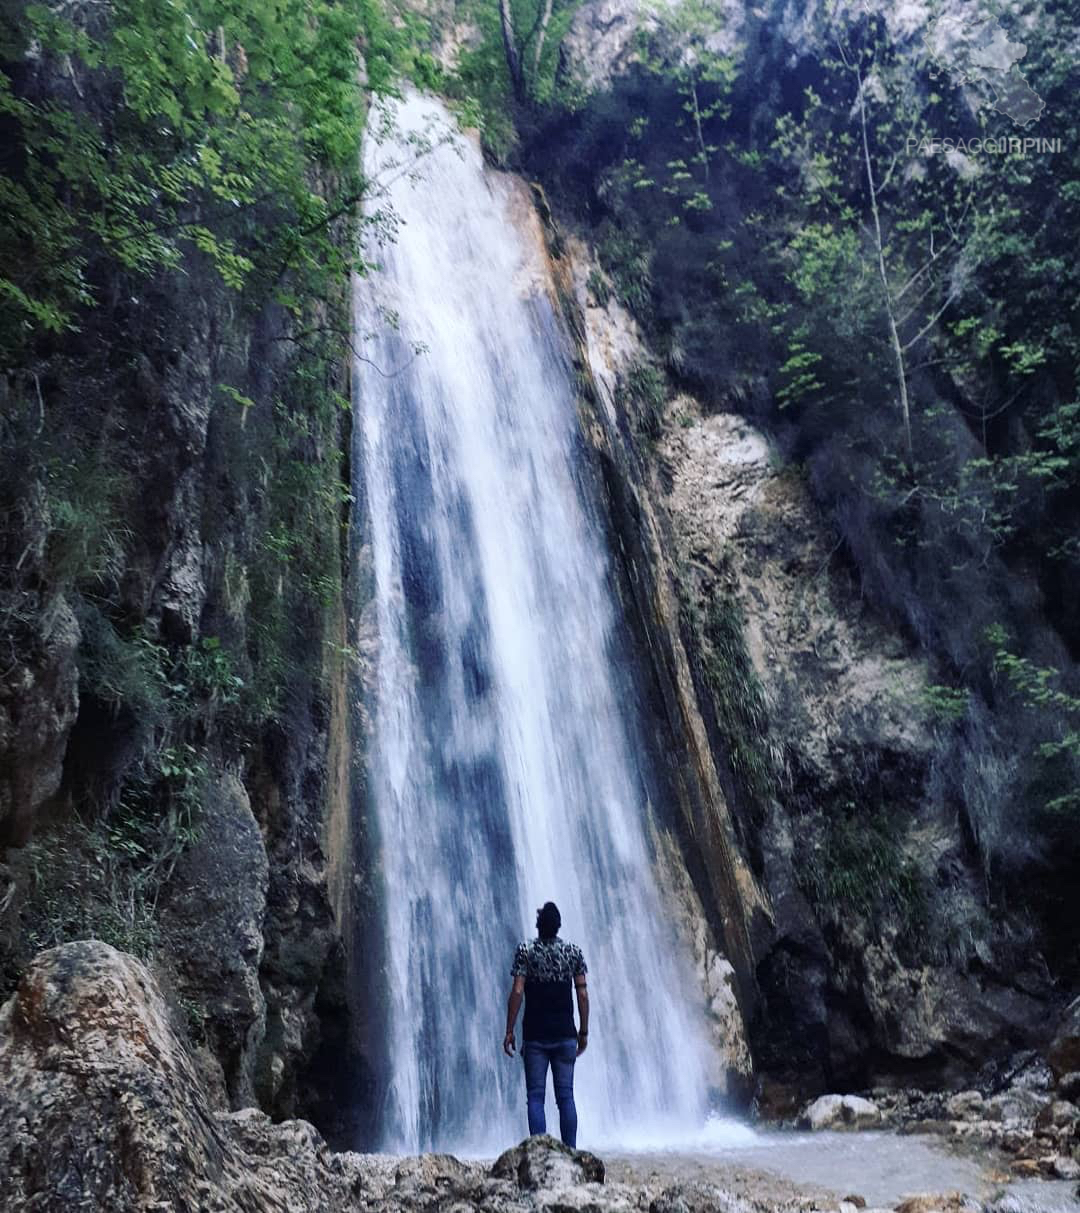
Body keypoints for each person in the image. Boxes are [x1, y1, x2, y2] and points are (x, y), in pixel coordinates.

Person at [502, 901, 589, 1148]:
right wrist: (583, 1031)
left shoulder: (526, 951)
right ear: (558, 926)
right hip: (565, 1035)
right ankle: (571, 1152)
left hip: (536, 1035)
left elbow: (518, 991)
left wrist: (509, 1029)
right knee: (565, 1097)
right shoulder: (573, 952)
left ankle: (540, 1154)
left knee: (536, 1098)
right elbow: (582, 994)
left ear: (539, 926)